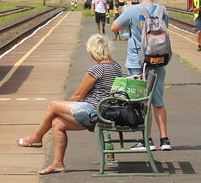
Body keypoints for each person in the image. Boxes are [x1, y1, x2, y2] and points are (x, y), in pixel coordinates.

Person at [16, 34, 123, 175]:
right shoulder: (116, 66)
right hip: (103, 110)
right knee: (57, 124)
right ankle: (57, 164)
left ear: (93, 51)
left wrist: (68, 108)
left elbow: (78, 96)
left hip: (92, 110)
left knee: (54, 106)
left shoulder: (97, 70)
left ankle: (36, 137)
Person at [111, 0, 171, 151]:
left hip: (138, 61)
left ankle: (147, 140)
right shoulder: (162, 10)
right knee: (158, 101)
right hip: (159, 59)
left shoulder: (133, 10)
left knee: (140, 101)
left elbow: (115, 27)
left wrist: (130, 31)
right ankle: (165, 140)